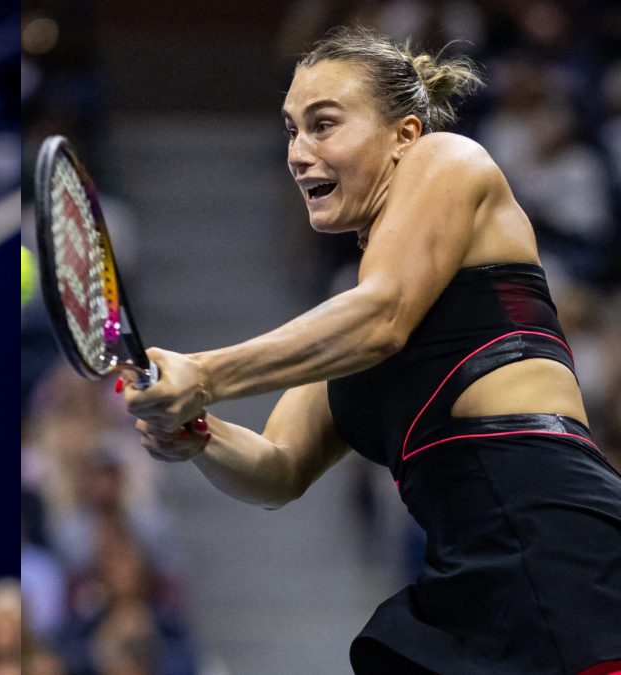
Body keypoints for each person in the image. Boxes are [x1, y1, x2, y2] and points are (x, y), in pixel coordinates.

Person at [120, 26, 621, 674]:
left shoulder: (450, 159)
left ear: (403, 136)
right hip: (466, 581)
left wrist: (206, 374)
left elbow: (383, 317)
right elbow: (278, 468)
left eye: (324, 124)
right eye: (291, 130)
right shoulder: (341, 323)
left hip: (559, 545)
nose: (300, 152)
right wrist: (194, 429)